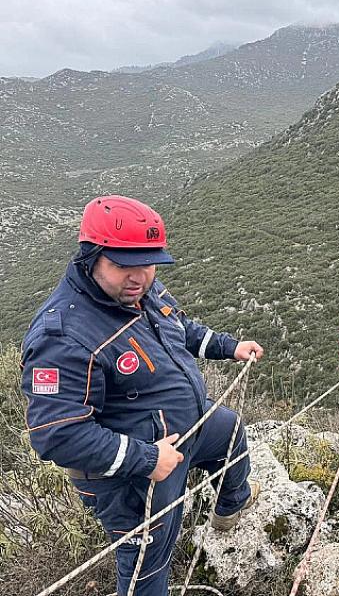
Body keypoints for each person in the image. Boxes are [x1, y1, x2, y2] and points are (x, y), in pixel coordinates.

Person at [21, 195, 265, 596]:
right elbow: (56, 434)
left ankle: (230, 504)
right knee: (146, 574)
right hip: (134, 477)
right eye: (122, 265)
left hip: (189, 428)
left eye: (148, 263)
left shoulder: (140, 290)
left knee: (233, 431)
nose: (139, 276)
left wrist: (229, 346)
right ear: (91, 256)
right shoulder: (62, 336)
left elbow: (179, 329)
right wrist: (148, 459)